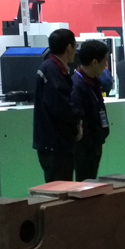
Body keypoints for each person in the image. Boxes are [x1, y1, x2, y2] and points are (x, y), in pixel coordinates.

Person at [33, 28, 83, 183]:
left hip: (55, 142)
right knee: (60, 188)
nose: (75, 51)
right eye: (75, 46)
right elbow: (60, 106)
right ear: (69, 47)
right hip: (55, 143)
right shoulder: (52, 70)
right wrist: (78, 117)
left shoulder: (52, 68)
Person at [71, 39, 111, 181]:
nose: (106, 66)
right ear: (94, 62)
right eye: (104, 61)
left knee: (91, 180)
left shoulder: (94, 82)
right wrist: (90, 142)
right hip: (84, 147)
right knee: (85, 182)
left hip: (94, 144)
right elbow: (78, 118)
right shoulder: (77, 85)